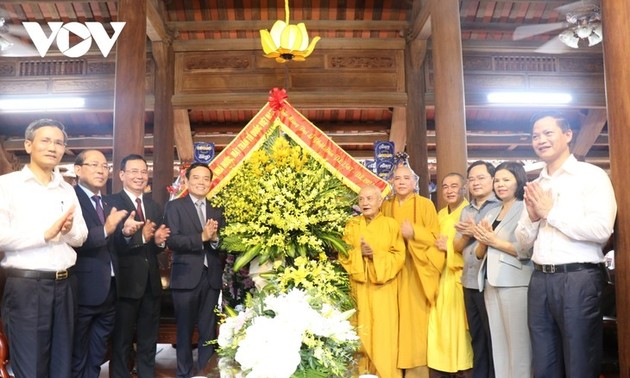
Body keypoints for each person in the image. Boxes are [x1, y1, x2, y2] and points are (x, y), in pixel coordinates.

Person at [515, 112, 617, 378]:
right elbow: (523, 243)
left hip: (578, 279)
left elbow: (601, 230)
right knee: (544, 361)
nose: (540, 140)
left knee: (580, 360)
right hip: (539, 280)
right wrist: (535, 218)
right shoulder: (536, 184)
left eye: (548, 133)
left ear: (568, 135)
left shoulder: (591, 176)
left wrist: (551, 214)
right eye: (536, 135)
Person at [0, 119, 88, 378]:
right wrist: (44, 235)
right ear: (29, 145)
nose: (53, 147)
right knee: (32, 366)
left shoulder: (67, 189)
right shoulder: (7, 185)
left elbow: (81, 237)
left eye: (59, 142)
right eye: (46, 140)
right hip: (27, 287)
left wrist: (68, 229)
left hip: (66, 285)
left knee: (62, 365)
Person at [107, 154, 170, 378]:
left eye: (143, 171)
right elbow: (112, 244)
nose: (140, 176)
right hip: (125, 285)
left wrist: (159, 242)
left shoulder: (153, 205)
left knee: (148, 341)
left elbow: (152, 250)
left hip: (151, 285)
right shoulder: (111, 203)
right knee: (121, 341)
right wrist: (138, 237)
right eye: (134, 171)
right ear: (122, 174)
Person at [71, 150, 132, 378]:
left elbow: (113, 243)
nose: (100, 170)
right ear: (78, 170)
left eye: (104, 166)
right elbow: (74, 241)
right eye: (94, 165)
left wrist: (125, 232)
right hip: (84, 290)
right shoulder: (71, 199)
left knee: (97, 354)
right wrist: (106, 229)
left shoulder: (105, 202)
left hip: (110, 290)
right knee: (77, 353)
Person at [163, 163, 225, 378]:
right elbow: (172, 240)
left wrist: (216, 239)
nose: (201, 182)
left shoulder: (217, 208)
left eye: (205, 178)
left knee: (209, 331)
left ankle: (206, 373)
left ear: (210, 182)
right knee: (184, 330)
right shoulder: (175, 207)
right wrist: (201, 238)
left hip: (211, 278)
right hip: (185, 278)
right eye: (196, 178)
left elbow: (225, 243)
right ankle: (184, 374)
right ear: (187, 182)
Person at [381, 164, 443, 378]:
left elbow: (437, 238)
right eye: (397, 178)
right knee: (391, 320)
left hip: (416, 270)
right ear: (392, 182)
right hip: (390, 270)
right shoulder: (385, 207)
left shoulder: (425, 205)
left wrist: (414, 232)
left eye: (406, 178)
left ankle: (417, 372)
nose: (401, 182)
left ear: (415, 183)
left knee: (414, 322)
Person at [473, 162, 534, 378]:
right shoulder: (492, 212)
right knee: (499, 345)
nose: (500, 185)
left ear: (518, 181)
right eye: (497, 180)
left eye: (506, 180)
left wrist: (493, 241)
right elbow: (479, 254)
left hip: (515, 283)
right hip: (490, 282)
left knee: (519, 345)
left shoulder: (526, 209)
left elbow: (526, 251)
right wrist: (482, 240)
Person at [340, 184, 405, 378]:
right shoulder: (351, 225)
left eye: (369, 198)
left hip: (383, 288)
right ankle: (360, 373)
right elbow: (343, 255)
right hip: (358, 287)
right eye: (361, 199)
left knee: (384, 335)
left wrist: (375, 255)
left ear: (379, 201)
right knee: (359, 332)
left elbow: (399, 256)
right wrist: (360, 253)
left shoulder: (391, 225)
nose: (365, 202)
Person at [454, 160, 500, 378]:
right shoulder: (466, 210)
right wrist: (468, 234)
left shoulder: (501, 206)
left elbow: (499, 242)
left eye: (481, 178)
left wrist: (476, 233)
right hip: (469, 281)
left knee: (494, 337)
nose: (475, 183)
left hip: (491, 282)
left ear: (493, 179)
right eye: (471, 179)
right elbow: (457, 246)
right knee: (477, 336)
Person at [427, 172, 473, 377]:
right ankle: (442, 367)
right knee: (439, 326)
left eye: (454, 186)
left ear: (464, 188)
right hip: (440, 275)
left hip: (459, 276)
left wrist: (450, 249)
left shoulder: (469, 213)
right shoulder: (440, 215)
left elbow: (474, 251)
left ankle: (462, 367)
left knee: (459, 329)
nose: (449, 190)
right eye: (445, 186)